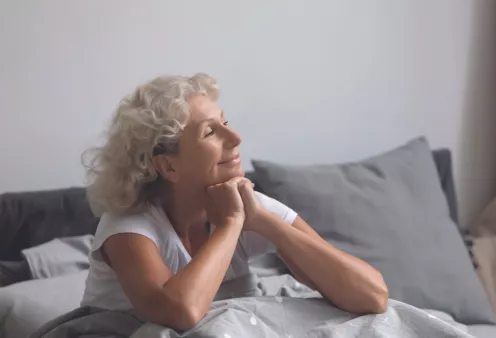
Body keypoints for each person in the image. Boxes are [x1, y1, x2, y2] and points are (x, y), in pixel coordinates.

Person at [80, 73, 388, 331]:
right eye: (211, 132)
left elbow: (372, 295)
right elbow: (181, 312)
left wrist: (267, 223)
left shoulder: (245, 203)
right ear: (168, 167)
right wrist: (231, 224)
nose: (236, 137)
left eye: (226, 122)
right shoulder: (128, 226)